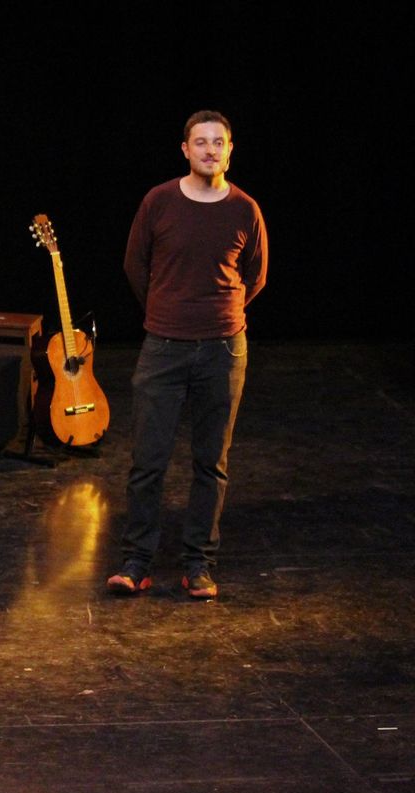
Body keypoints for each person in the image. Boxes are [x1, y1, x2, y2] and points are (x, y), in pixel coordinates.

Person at [109, 111, 268, 600]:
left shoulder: (245, 209)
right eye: (200, 142)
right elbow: (135, 266)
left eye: (218, 142)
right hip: (163, 347)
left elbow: (256, 276)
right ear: (185, 150)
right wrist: (166, 310)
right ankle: (137, 562)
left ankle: (198, 564)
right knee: (148, 462)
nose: (209, 150)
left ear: (230, 149)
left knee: (211, 463)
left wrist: (219, 317)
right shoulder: (159, 202)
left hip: (223, 349)